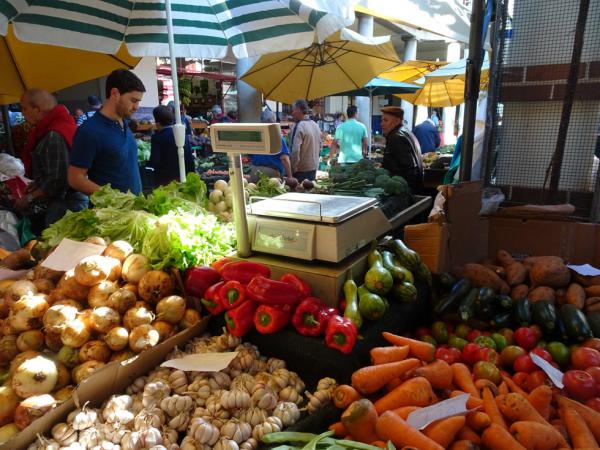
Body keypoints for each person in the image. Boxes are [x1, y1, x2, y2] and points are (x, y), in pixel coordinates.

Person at [16, 89, 88, 232]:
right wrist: (38, 183)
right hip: (67, 201)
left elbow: (57, 181)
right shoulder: (55, 127)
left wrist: (29, 198)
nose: (22, 113)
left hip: (66, 205)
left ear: (37, 109)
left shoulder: (54, 135)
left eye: (24, 108)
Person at [68, 69, 146, 195]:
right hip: (111, 212)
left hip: (135, 210)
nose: (137, 107)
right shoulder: (89, 131)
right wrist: (113, 197)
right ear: (115, 93)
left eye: (138, 101)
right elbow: (75, 178)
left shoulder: (124, 122)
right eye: (133, 100)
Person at [380, 106, 423, 193]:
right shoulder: (405, 131)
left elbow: (407, 168)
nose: (382, 124)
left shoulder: (396, 137)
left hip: (404, 190)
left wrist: (404, 192)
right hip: (413, 187)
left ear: (397, 121)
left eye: (386, 120)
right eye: (382, 120)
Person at [149, 105, 195, 186]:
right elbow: (189, 157)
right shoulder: (181, 134)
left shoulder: (157, 138)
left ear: (158, 123)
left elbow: (155, 160)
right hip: (182, 177)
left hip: (165, 181)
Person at [249, 110, 292, 182]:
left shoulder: (255, 137)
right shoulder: (277, 137)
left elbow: (250, 155)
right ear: (274, 122)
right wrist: (290, 177)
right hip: (271, 175)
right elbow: (284, 159)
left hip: (254, 172)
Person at [289, 99, 322, 182]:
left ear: (299, 110)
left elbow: (295, 151)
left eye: (293, 110)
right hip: (313, 168)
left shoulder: (299, 126)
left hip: (300, 171)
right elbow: (320, 146)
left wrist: (292, 170)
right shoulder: (315, 125)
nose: (292, 113)